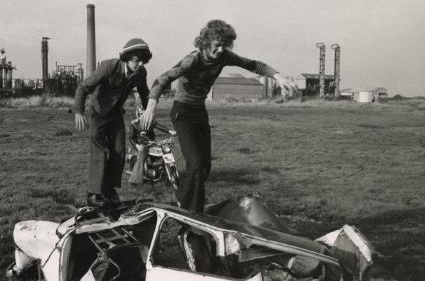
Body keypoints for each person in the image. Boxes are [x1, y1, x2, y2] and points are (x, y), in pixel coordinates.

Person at [141, 20, 297, 213]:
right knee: (196, 164)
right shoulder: (193, 59)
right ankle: (191, 207)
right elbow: (162, 79)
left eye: (225, 46)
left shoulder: (224, 56)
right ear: (205, 43)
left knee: (204, 168)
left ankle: (184, 199)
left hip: (199, 112)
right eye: (217, 46)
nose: (221, 50)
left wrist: (278, 76)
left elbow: (255, 65)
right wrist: (151, 106)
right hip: (182, 112)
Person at [74, 38, 152, 207]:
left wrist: (148, 113)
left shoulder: (140, 73)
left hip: (116, 115)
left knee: (119, 152)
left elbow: (145, 94)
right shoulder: (109, 66)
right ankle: (93, 194)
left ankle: (109, 190)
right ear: (127, 58)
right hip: (98, 113)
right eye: (136, 61)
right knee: (99, 152)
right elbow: (83, 87)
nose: (139, 65)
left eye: (142, 61)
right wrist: (79, 112)